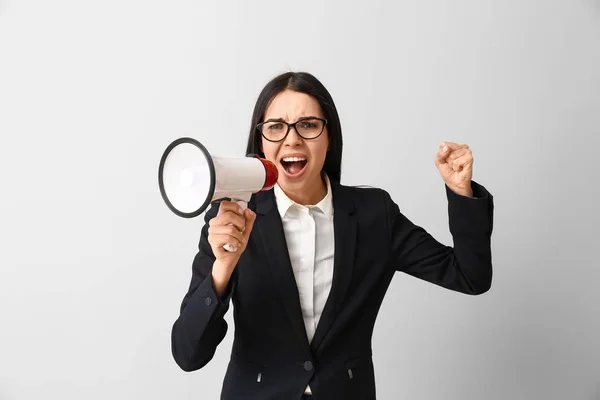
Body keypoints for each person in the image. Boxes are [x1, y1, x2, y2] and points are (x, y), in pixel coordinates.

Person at [171, 71, 494, 400]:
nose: (292, 139)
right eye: (276, 127)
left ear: (329, 138)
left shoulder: (373, 215)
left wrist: (461, 194)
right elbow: (188, 353)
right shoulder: (231, 219)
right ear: (261, 143)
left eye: (308, 125)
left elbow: (470, 275)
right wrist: (222, 269)